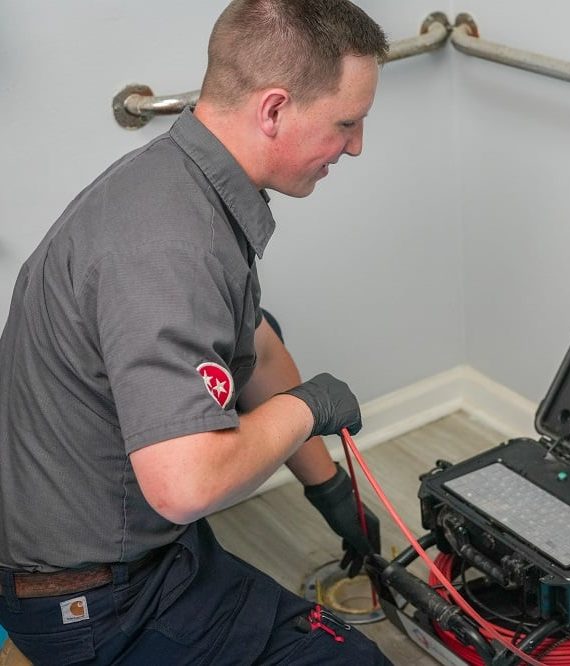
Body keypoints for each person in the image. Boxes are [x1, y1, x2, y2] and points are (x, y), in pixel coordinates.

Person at [0, 0, 391, 663]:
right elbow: (188, 486)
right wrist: (307, 409)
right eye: (346, 123)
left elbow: (254, 345)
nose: (355, 146)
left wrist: (331, 495)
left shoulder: (181, 183)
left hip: (136, 555)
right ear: (273, 110)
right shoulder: (170, 247)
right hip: (96, 607)